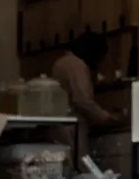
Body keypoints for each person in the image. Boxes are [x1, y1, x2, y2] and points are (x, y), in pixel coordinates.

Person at [51, 31, 123, 162]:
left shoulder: (61, 62)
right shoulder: (77, 65)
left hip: (59, 126)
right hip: (72, 127)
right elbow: (82, 100)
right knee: (79, 168)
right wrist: (106, 117)